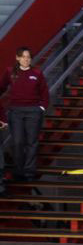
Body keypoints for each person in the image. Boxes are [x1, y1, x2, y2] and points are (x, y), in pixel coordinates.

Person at [0, 47, 49, 181]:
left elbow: (44, 93)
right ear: (17, 58)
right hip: (15, 112)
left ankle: (29, 173)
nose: (26, 59)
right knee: (18, 142)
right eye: (23, 57)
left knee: (32, 142)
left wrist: (41, 108)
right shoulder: (10, 72)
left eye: (28, 57)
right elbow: (1, 87)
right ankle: (19, 171)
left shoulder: (37, 73)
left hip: (33, 112)